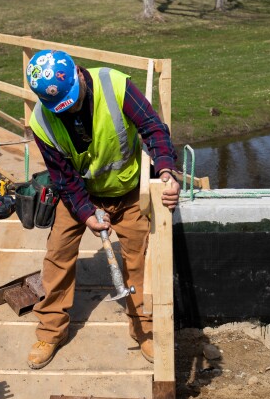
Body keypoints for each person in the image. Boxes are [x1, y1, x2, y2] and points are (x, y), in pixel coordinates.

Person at [24, 49, 180, 369]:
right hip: (80, 193)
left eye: (74, 99)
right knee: (58, 253)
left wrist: (165, 171)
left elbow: (152, 128)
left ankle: (143, 328)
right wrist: (85, 212)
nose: (72, 109)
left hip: (127, 191)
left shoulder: (115, 85)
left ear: (79, 74)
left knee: (139, 258)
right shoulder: (42, 120)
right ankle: (50, 331)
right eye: (61, 108)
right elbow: (63, 179)